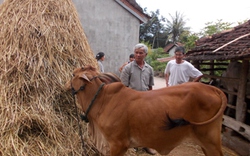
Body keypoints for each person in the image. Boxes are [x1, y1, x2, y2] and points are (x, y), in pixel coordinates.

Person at [120, 43, 156, 155]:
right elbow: (123, 87)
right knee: (132, 124)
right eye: (136, 52)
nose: (138, 55)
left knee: (146, 123)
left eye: (141, 53)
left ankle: (146, 145)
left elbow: (150, 87)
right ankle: (133, 146)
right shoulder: (127, 68)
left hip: (146, 101)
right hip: (132, 101)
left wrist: (151, 101)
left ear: (145, 54)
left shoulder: (149, 69)